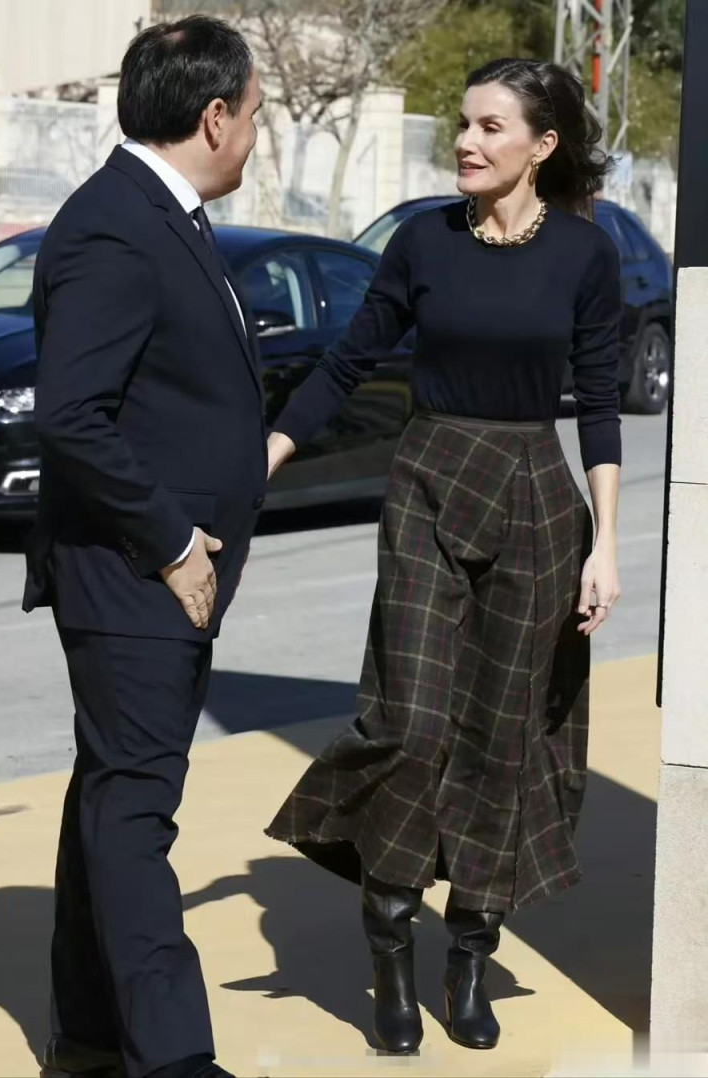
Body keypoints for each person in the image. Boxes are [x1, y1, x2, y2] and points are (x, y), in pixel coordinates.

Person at [264, 57, 622, 1055]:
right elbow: (350, 357)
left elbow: (600, 403)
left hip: (536, 501)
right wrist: (272, 447)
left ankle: (468, 953)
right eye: (463, 123)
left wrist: (606, 545)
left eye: (490, 126)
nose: (465, 141)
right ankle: (389, 944)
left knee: (502, 738)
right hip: (427, 484)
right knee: (411, 725)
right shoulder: (424, 239)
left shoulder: (584, 254)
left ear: (542, 145)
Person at [24, 16, 265, 1078]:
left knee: (109, 793)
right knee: (134, 814)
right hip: (133, 576)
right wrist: (171, 540)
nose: (254, 135)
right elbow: (71, 415)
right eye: (254, 115)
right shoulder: (117, 227)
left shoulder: (161, 215)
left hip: (152, 577)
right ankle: (172, 1059)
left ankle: (86, 1032)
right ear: (213, 118)